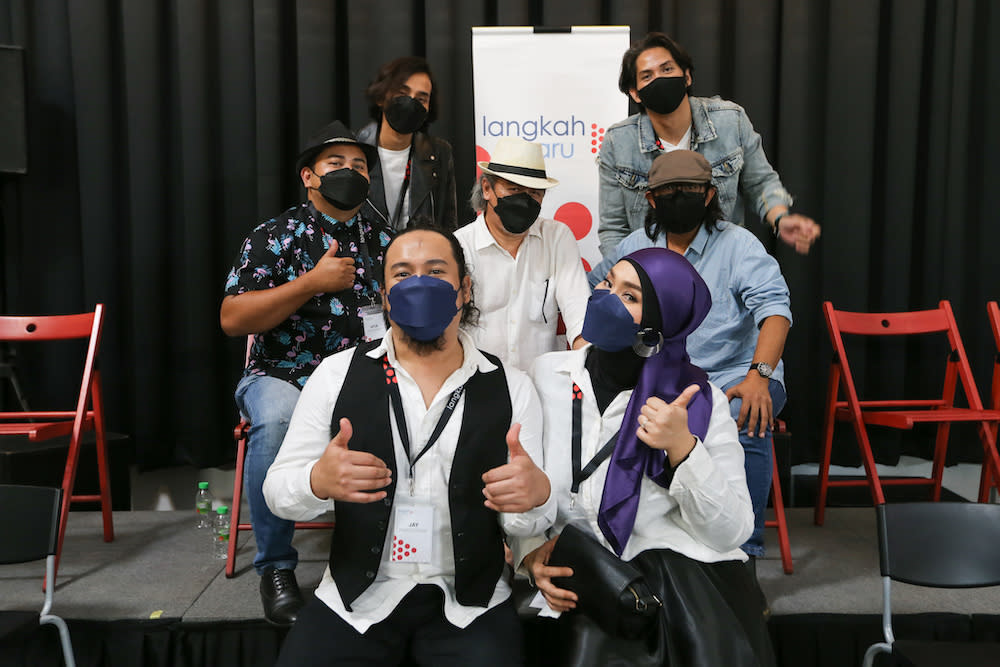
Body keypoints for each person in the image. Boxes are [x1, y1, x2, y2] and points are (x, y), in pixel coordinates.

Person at [263, 225, 556, 666]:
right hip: (357, 603)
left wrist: (535, 497)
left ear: (464, 289)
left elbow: (528, 520)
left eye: (435, 271)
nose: (419, 283)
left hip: (471, 604)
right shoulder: (336, 374)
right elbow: (278, 492)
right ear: (384, 295)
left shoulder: (513, 386)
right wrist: (316, 480)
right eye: (402, 274)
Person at [521, 248, 775, 666]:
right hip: (586, 571)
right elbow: (525, 488)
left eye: (629, 296)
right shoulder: (548, 375)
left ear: (658, 327)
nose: (605, 297)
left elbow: (732, 531)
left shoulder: (699, 403)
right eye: (607, 283)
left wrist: (683, 449)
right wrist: (530, 550)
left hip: (676, 580)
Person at [220, 120, 393, 626]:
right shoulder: (276, 236)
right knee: (277, 419)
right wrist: (309, 284)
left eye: (359, 165)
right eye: (336, 164)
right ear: (309, 177)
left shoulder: (385, 239)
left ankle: (378, 557)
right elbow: (233, 318)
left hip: (360, 376)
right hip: (283, 375)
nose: (350, 172)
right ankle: (275, 568)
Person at [590, 149, 791, 562]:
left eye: (690, 189)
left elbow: (776, 311)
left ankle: (743, 553)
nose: (678, 197)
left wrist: (760, 376)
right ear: (650, 199)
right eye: (668, 191)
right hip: (659, 374)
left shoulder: (739, 245)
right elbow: (600, 291)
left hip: (733, 374)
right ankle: (634, 539)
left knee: (746, 417)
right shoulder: (635, 244)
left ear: (709, 195)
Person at [597, 31, 820, 258]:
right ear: (635, 93)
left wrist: (780, 218)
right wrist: (629, 281)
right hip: (654, 271)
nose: (659, 79)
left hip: (724, 264)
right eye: (647, 76)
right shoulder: (618, 142)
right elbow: (613, 228)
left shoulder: (730, 120)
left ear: (686, 76)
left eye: (666, 69)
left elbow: (761, 183)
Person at [456, 136, 591, 371]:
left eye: (534, 193)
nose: (525, 200)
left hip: (542, 385)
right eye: (514, 189)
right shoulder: (459, 246)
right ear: (487, 188)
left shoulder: (557, 238)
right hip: (476, 383)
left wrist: (590, 369)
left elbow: (579, 312)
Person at [357, 56, 457, 231]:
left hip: (421, 254)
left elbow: (448, 225)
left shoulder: (439, 153)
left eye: (421, 99)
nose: (410, 102)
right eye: (402, 94)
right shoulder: (354, 150)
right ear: (381, 97)